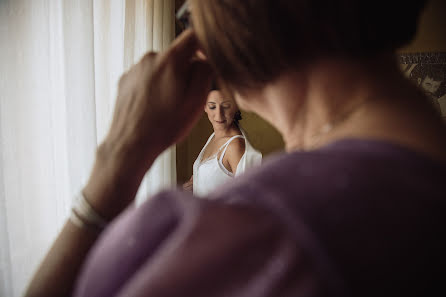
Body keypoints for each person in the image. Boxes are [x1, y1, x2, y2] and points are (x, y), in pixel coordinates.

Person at [24, 0, 446, 296]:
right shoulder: (423, 157)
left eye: (193, 12)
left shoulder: (265, 225)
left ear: (241, 14)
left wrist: (115, 162)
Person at [182, 87, 262, 196]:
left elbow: (249, 197)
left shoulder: (235, 146)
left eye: (225, 106)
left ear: (236, 106)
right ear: (204, 106)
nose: (219, 115)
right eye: (212, 106)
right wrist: (194, 185)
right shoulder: (214, 137)